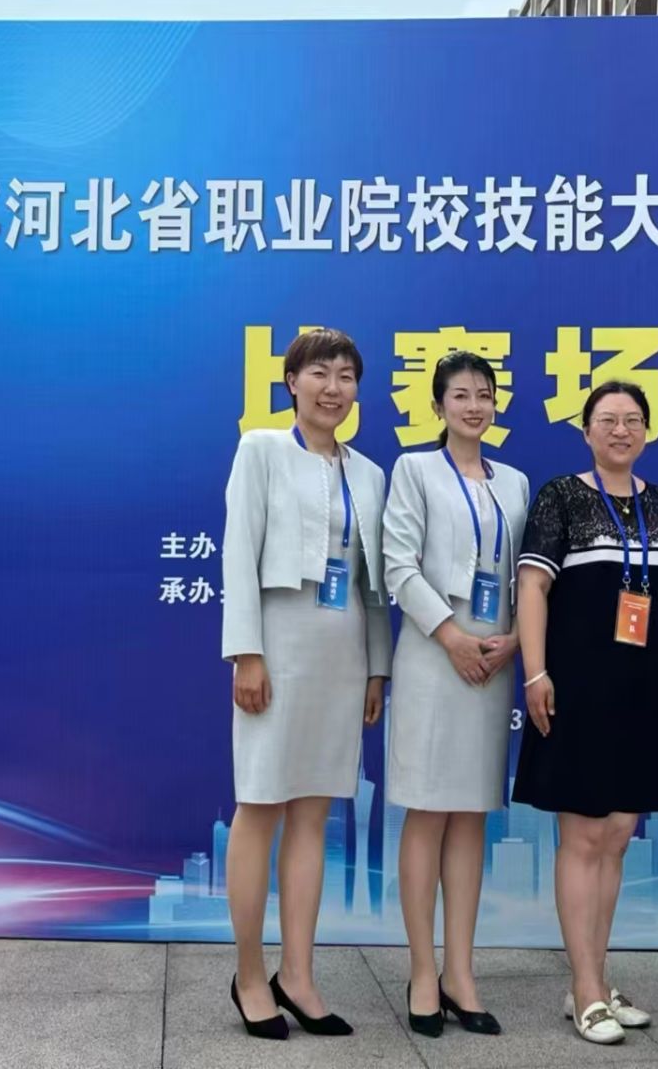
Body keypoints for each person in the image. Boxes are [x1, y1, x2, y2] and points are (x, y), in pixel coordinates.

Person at [219, 327, 391, 1041]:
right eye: (319, 373)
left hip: (341, 656)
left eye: (346, 376)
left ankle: (298, 973)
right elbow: (237, 552)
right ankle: (250, 975)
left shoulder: (370, 474)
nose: (333, 388)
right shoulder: (261, 449)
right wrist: (246, 653)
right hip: (278, 647)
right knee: (260, 806)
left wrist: (377, 666)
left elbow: (372, 584)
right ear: (291, 381)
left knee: (314, 817)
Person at [512, 381, 658, 1046]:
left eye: (633, 419)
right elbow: (533, 585)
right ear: (586, 431)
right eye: (607, 419)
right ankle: (585, 988)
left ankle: (594, 977)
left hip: (640, 690)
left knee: (616, 834)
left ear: (647, 431)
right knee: (582, 836)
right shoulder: (560, 495)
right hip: (578, 687)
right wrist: (535, 671)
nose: (620, 430)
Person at [382, 351, 530, 1039]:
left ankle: (461, 972)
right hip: (433, 657)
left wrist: (515, 640)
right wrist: (451, 636)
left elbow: (529, 576)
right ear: (438, 405)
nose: (474, 406)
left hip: (493, 662)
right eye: (461, 395)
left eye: (484, 394)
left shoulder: (515, 482)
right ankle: (422, 971)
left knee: (472, 814)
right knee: (429, 811)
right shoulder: (414, 470)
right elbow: (398, 565)